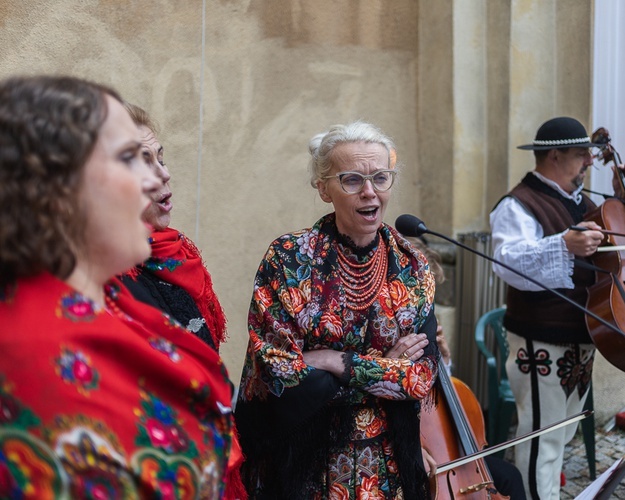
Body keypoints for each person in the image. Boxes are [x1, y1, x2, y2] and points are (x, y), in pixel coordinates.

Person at [0, 75, 235, 497]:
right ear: (56, 189)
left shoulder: (112, 303)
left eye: (155, 158)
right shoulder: (30, 352)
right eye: (129, 158)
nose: (154, 180)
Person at [234, 121, 439, 499]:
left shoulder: (412, 267)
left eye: (381, 177)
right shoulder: (289, 260)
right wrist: (384, 367)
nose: (369, 192)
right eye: (351, 180)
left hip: (390, 464)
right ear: (324, 189)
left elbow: (420, 379)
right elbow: (282, 378)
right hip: (304, 463)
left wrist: (331, 360)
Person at [489, 116, 625, 500]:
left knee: (562, 432)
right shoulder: (518, 203)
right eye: (581, 154)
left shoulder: (583, 202)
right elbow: (506, 260)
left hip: (581, 335)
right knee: (541, 436)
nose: (589, 160)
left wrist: (622, 201)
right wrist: (562, 245)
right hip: (541, 339)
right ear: (554, 156)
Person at [117, 102, 246, 499]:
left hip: (209, 455)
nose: (165, 172)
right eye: (145, 162)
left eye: (162, 158)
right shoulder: (102, 278)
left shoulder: (177, 255)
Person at [409, 237, 527, 500]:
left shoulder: (426, 321)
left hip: (450, 454)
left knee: (509, 476)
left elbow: (444, 402)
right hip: (410, 449)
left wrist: (445, 361)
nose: (426, 306)